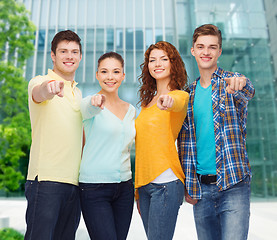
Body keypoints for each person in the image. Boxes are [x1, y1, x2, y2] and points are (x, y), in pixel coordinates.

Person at [178, 24, 255, 240]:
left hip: (234, 184)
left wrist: (241, 83)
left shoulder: (231, 82)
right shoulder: (187, 95)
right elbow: (185, 145)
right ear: (193, 50)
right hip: (201, 189)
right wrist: (188, 184)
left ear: (219, 52)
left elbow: (247, 90)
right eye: (201, 47)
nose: (206, 52)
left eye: (212, 47)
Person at [24, 30, 83, 240]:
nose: (69, 56)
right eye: (63, 51)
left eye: (74, 51)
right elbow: (40, 93)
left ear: (80, 56)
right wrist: (49, 88)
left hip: (74, 184)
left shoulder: (78, 93)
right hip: (46, 181)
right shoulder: (40, 81)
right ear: (53, 55)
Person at [135, 41, 189, 240]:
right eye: (152, 60)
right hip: (145, 185)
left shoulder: (179, 96)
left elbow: (176, 103)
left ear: (173, 63)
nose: (157, 63)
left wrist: (168, 101)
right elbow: (142, 147)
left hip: (166, 183)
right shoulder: (146, 102)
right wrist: (138, 190)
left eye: (164, 59)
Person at [79, 52, 135, 240]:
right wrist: (94, 101)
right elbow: (87, 106)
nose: (110, 77)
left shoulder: (131, 110)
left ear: (123, 76)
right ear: (97, 75)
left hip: (125, 189)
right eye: (104, 71)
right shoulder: (89, 105)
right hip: (94, 188)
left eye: (115, 72)